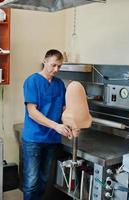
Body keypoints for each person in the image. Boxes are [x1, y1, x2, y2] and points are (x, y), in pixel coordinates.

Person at [22, 49, 79, 200]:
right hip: (33, 139)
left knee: (43, 180)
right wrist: (56, 126)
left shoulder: (59, 84)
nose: (56, 70)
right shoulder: (32, 81)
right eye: (53, 65)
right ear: (44, 61)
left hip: (52, 139)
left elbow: (65, 110)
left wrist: (72, 126)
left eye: (59, 66)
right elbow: (32, 112)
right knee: (31, 182)